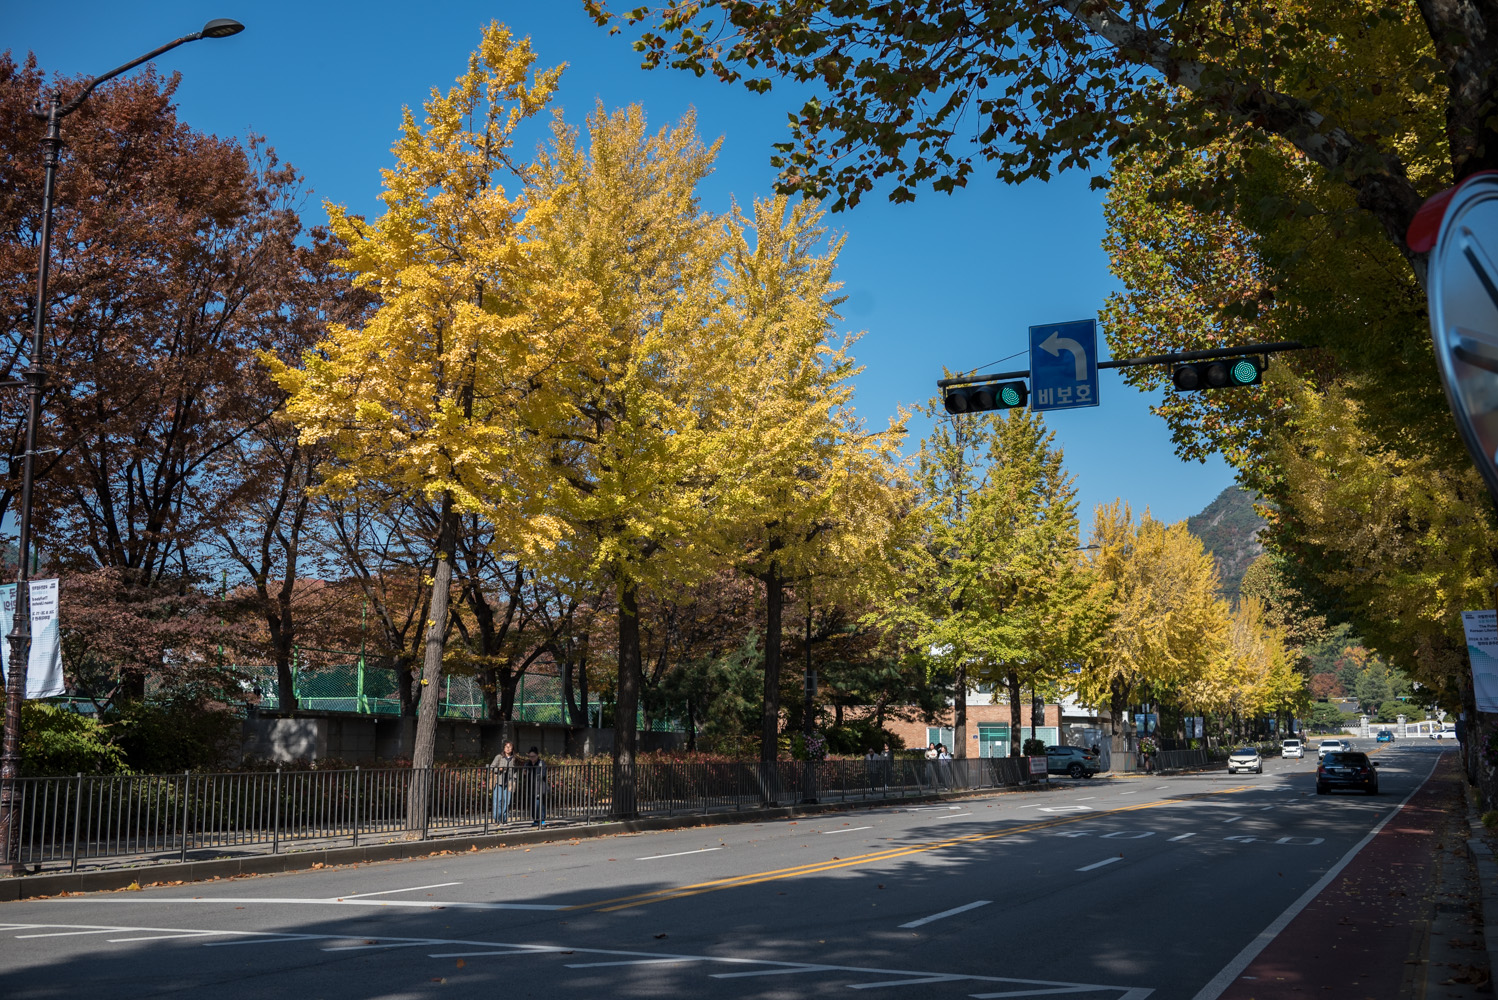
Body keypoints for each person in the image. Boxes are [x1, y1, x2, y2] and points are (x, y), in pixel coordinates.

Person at [490, 741, 517, 824]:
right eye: (506, 746)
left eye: (510, 746)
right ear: (504, 748)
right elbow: (491, 767)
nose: (508, 748)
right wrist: (498, 769)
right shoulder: (499, 757)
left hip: (509, 782)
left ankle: (504, 819)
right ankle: (497, 819)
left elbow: (515, 770)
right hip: (499, 782)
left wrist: (514, 779)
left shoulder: (514, 758)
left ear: (512, 748)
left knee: (507, 801)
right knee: (498, 801)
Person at [525, 746, 547, 827]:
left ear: (537, 755)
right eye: (530, 756)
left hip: (540, 786)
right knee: (533, 804)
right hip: (531, 786)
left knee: (540, 803)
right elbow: (525, 775)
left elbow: (543, 774)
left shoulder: (541, 763)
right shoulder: (528, 764)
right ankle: (535, 819)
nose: (532, 758)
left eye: (533, 756)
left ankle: (542, 819)